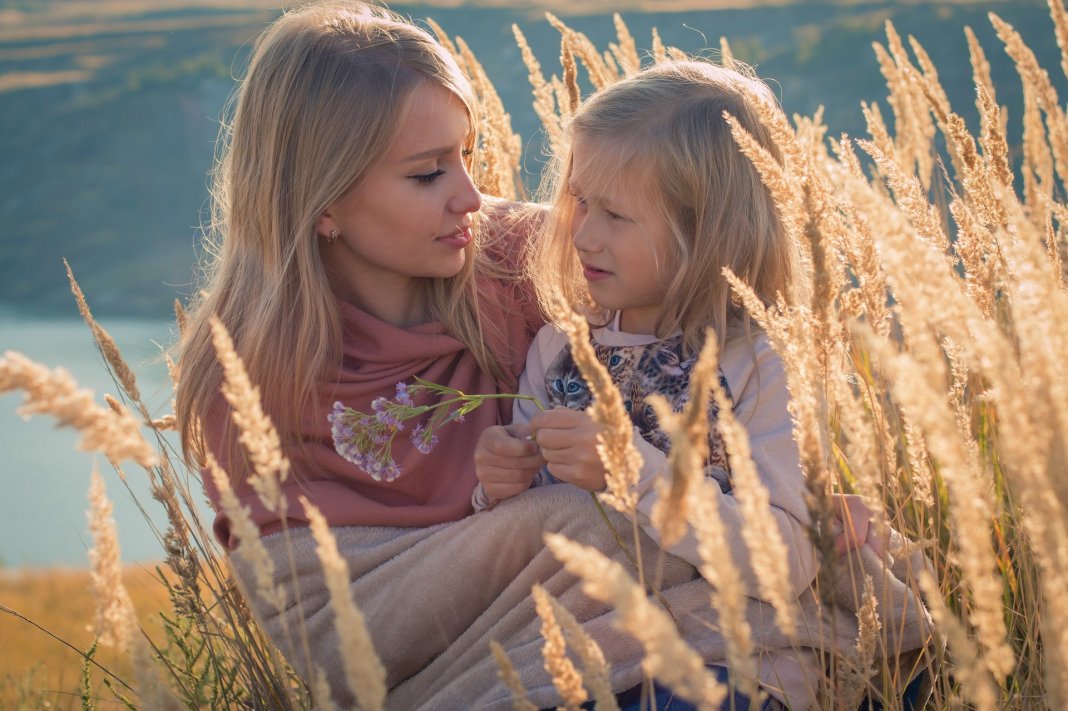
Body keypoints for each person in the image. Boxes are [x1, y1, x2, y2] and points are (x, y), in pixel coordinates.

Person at [473, 59, 819, 710]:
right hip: (590, 653)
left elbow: (788, 561)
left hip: (728, 662)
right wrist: (496, 484)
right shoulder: (561, 351)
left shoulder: (759, 367)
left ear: (706, 230)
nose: (581, 231)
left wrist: (633, 470)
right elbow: (530, 538)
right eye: (578, 201)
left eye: (615, 215)